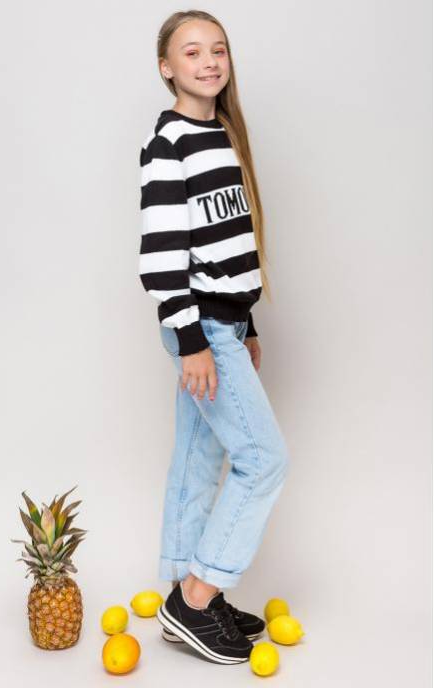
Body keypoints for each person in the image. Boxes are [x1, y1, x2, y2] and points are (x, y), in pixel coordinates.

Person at [138, 10, 290, 664]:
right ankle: (198, 597)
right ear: (166, 67)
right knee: (264, 459)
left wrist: (245, 322)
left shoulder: (222, 136)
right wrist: (194, 339)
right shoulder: (168, 143)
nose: (208, 62)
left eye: (218, 50)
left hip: (223, 322)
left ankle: (183, 586)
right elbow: (161, 254)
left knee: (201, 456)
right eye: (192, 51)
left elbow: (228, 245)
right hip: (197, 324)